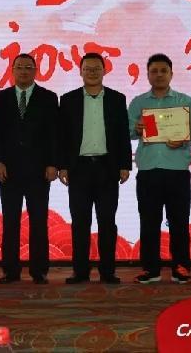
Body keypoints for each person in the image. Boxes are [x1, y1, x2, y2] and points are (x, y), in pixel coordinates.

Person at [128, 53, 191, 285]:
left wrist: (183, 139)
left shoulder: (184, 101)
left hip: (177, 170)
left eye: (163, 71)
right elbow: (126, 131)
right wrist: (137, 129)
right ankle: (151, 269)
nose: (159, 75)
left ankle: (181, 267)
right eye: (154, 71)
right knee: (149, 221)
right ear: (148, 74)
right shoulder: (139, 103)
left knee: (179, 221)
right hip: (148, 170)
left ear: (171, 74)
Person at [58, 53, 132, 285]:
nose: (92, 72)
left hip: (107, 167)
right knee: (80, 222)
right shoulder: (68, 100)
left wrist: (125, 165)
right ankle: (80, 271)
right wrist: (62, 166)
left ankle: (107, 271)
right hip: (78, 168)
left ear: (104, 71)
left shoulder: (116, 99)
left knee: (107, 221)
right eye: (87, 68)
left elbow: (122, 134)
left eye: (96, 68)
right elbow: (62, 136)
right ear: (80, 71)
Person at [0, 53, 58, 285]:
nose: (24, 71)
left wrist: (53, 163)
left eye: (28, 67)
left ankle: (39, 270)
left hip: (39, 170)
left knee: (38, 221)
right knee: (10, 221)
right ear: (12, 70)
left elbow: (53, 134)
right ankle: (11, 270)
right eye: (19, 67)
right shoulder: (1, 97)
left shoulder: (48, 97)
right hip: (9, 170)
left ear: (35, 71)